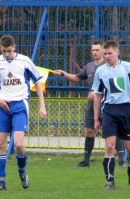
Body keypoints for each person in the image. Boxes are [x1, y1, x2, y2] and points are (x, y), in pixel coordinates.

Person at [0, 35, 47, 191]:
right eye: (4, 51)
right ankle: (1, 182)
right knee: (0, 144)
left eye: (9, 51)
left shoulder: (24, 61)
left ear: (14, 47)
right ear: (0, 48)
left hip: (20, 105)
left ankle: (22, 171)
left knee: (18, 144)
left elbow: (38, 83)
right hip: (3, 106)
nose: (6, 54)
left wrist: (42, 106)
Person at [53, 40, 126, 168]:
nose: (95, 53)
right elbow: (77, 78)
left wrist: (98, 94)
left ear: (103, 51)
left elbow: (115, 87)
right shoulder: (89, 66)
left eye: (97, 50)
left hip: (107, 105)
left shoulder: (109, 66)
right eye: (93, 50)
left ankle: (121, 161)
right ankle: (86, 161)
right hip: (92, 106)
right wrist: (64, 74)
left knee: (114, 132)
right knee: (89, 131)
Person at [92, 40, 130, 190]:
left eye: (110, 53)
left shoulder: (128, 68)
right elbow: (97, 95)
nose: (107, 56)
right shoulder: (101, 72)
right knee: (109, 146)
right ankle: (110, 182)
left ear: (117, 53)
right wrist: (96, 119)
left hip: (126, 110)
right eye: (105, 53)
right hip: (109, 110)